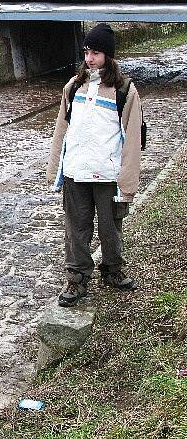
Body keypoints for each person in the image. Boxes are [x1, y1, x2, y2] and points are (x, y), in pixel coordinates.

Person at [46, 23, 143, 307]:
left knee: (110, 229)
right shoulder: (74, 87)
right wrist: (56, 171)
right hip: (76, 172)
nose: (89, 58)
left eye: (96, 52)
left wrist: (128, 183)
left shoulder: (125, 91)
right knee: (76, 230)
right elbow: (61, 132)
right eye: (87, 51)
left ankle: (112, 270)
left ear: (108, 56)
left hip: (107, 174)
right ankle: (76, 280)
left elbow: (133, 139)